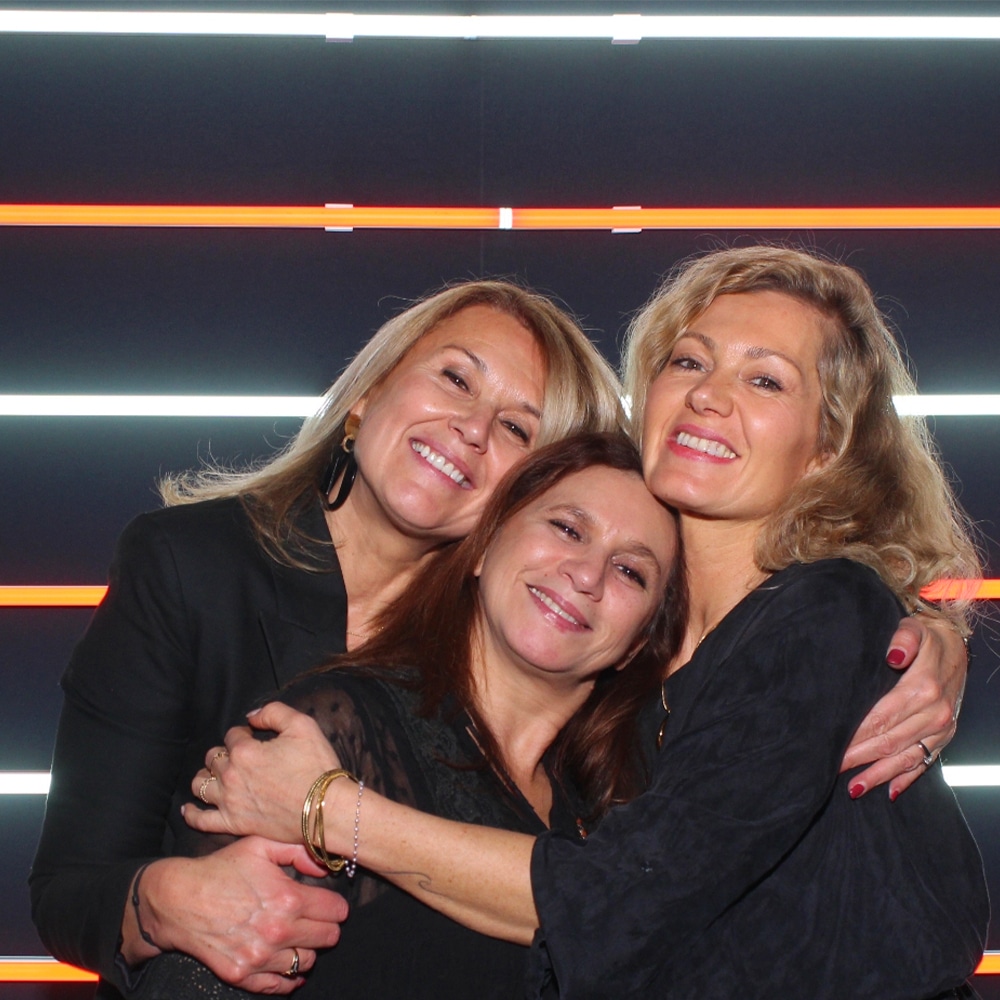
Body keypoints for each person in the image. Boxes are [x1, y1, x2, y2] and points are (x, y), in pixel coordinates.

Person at [191, 248, 989, 999]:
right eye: (689, 361)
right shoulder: (631, 677)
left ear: (827, 450)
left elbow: (621, 902)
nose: (708, 395)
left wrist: (331, 808)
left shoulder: (827, 610)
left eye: (765, 380)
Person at [29, 280, 627, 999]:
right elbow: (67, 889)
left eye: (517, 429)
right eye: (455, 379)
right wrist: (164, 901)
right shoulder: (188, 565)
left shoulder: (521, 653)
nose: (472, 428)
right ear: (368, 393)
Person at [130, 432, 686, 999]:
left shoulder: (608, 819)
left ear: (640, 644)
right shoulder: (331, 736)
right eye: (567, 529)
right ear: (485, 544)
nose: (587, 574)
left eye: (630, 572)